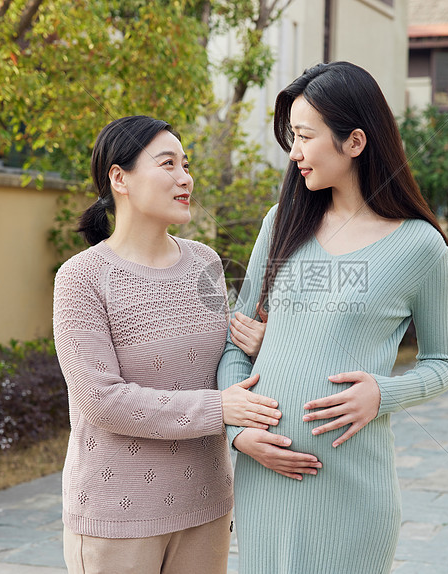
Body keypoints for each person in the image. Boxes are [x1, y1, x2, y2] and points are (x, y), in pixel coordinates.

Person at [217, 61, 448, 573]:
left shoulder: (420, 247)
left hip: (353, 492)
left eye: (305, 136)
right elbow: (235, 344)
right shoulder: (283, 221)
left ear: (354, 141)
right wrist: (240, 434)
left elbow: (443, 363)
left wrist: (382, 392)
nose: (295, 153)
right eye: (291, 137)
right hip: (266, 483)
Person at [52, 115, 281, 574]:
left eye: (187, 164)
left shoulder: (205, 262)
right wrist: (219, 409)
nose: (185, 177)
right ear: (120, 178)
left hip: (207, 505)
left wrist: (261, 344)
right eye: (168, 164)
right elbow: (103, 401)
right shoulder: (82, 278)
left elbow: (231, 355)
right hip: (117, 515)